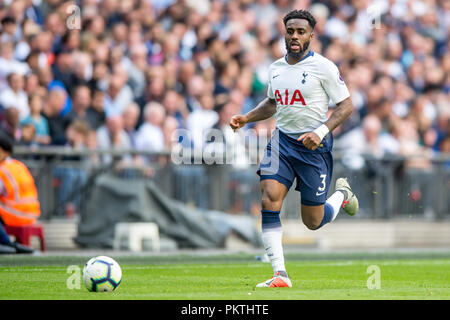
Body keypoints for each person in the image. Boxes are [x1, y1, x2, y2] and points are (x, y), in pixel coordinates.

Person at [230, 10, 359, 288]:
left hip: (314, 147)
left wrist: (320, 131)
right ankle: (280, 274)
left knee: (312, 221)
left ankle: (342, 196)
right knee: (269, 198)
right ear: (284, 33)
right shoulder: (275, 68)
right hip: (283, 142)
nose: (295, 36)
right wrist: (247, 117)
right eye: (291, 31)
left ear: (312, 35)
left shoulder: (324, 67)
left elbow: (346, 106)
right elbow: (273, 103)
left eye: (301, 32)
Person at [0, 133, 40, 254]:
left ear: (6, 152)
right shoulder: (19, 165)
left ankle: (6, 243)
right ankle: (10, 244)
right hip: (32, 214)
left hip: (14, 214)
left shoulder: (2, 169)